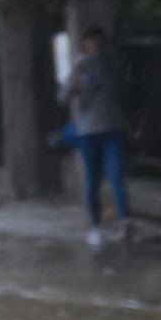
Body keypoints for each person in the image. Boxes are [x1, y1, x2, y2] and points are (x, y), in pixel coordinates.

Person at [65, 27, 132, 241]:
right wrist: (74, 83)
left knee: (115, 176)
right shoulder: (79, 67)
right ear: (85, 44)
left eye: (98, 42)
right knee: (92, 179)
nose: (95, 47)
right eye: (90, 43)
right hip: (88, 130)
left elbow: (124, 91)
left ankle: (125, 221)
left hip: (113, 127)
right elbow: (64, 96)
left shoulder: (112, 66)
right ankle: (94, 221)